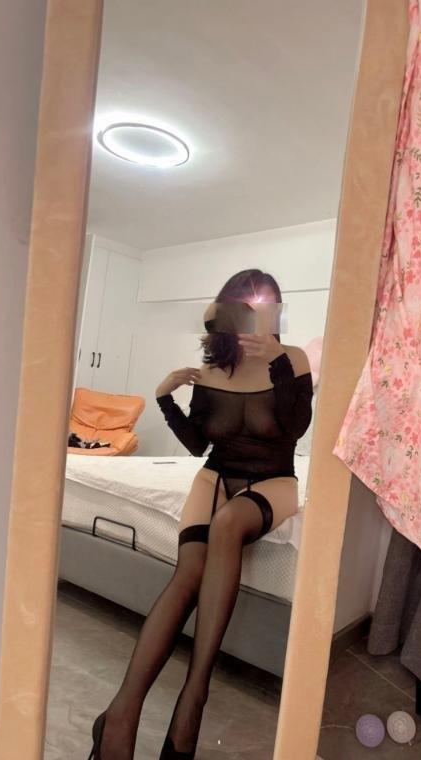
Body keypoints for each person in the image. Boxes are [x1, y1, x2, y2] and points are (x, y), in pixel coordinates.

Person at [88, 269, 313, 759]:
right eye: (243, 305)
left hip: (273, 482)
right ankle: (119, 717)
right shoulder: (211, 369)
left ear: (275, 312)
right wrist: (164, 398)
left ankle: (193, 698)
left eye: (264, 305)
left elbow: (294, 429)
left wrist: (277, 361)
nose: (253, 314)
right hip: (215, 477)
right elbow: (197, 445)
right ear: (227, 311)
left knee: (228, 523)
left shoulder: (293, 359)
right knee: (188, 571)